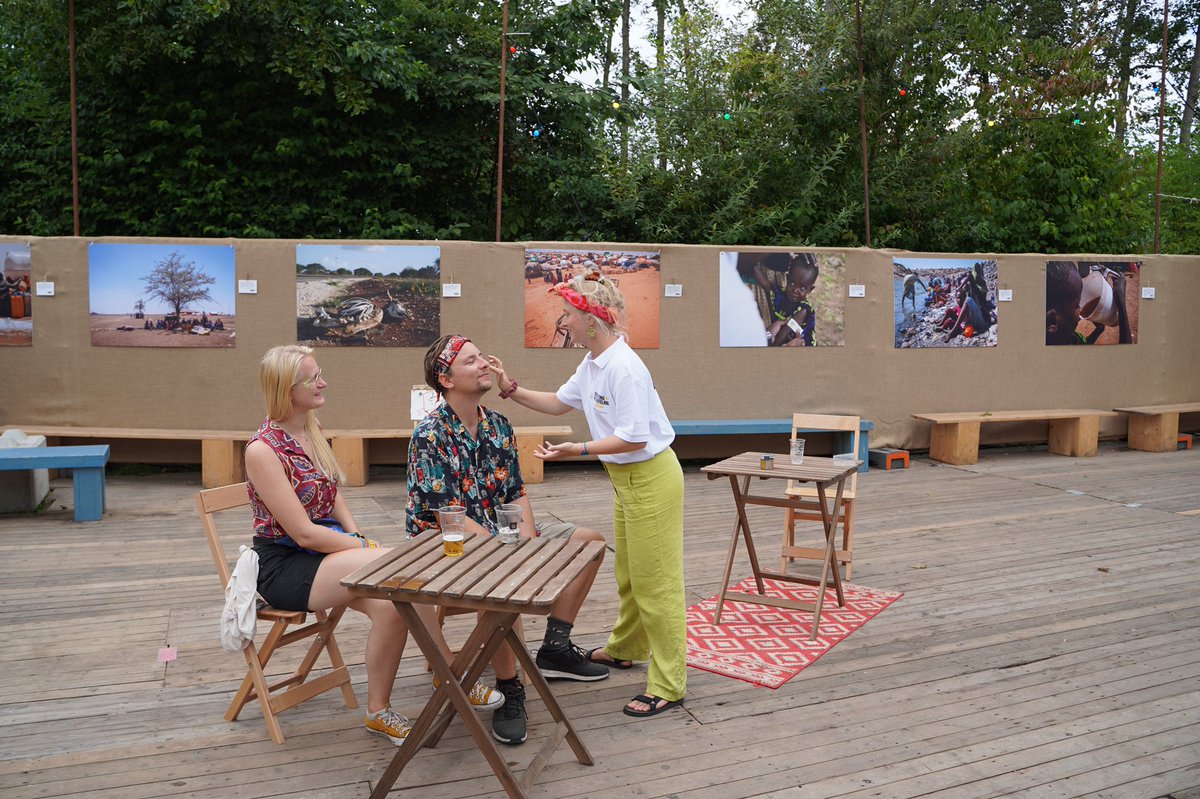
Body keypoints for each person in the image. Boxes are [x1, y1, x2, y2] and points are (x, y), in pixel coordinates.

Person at [244, 345, 502, 748]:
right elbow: (303, 534)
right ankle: (449, 671)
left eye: (320, 373)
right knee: (404, 572)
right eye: (313, 378)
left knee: (392, 605)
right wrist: (360, 545)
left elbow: (332, 495)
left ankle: (379, 711)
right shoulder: (262, 450)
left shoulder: (309, 429)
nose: (323, 382)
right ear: (285, 389)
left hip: (327, 553)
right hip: (286, 565)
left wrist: (355, 535)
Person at [487, 270, 687, 719]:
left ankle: (669, 684)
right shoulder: (593, 363)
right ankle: (625, 648)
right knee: (631, 575)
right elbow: (559, 402)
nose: (564, 321)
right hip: (627, 482)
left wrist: (577, 448)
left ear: (592, 319)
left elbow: (634, 439)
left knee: (658, 584)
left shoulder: (625, 368)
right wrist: (510, 388)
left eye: (569, 314)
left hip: (652, 479)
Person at [406, 334, 611, 746]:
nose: (484, 364)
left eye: (482, 355)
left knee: (589, 543)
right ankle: (509, 687)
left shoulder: (499, 424)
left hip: (502, 534)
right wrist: (512, 555)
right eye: (471, 361)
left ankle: (554, 649)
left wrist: (530, 541)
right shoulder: (429, 434)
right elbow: (449, 515)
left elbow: (515, 492)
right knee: (506, 584)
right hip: (446, 547)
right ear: (445, 379)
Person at [1045, 261, 1130, 345]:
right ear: (1052, 321)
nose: (1080, 309)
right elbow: (1127, 357)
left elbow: (1082, 345)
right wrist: (1121, 303)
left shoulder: (1062, 336)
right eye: (1077, 305)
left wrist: (1098, 331)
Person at [766, 255, 820, 347]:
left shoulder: (803, 310)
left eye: (802, 287)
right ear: (787, 278)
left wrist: (771, 348)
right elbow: (765, 285)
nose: (795, 290)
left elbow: (785, 332)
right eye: (792, 283)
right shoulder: (781, 293)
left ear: (810, 290)